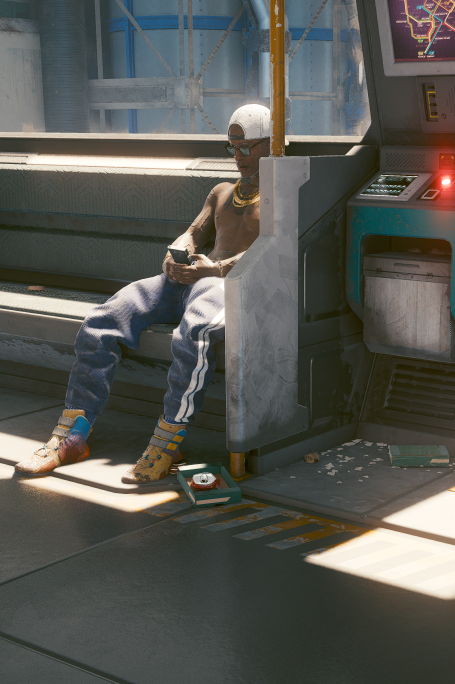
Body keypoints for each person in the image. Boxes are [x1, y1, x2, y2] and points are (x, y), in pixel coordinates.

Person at [15, 104, 269, 484]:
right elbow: (193, 232)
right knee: (103, 319)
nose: (238, 156)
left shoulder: (281, 195)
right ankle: (73, 437)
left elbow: (267, 251)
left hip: (228, 284)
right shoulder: (221, 191)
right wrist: (174, 254)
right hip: (191, 276)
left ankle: (168, 443)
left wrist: (213, 269)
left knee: (194, 332)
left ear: (271, 145)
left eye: (246, 147)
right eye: (232, 147)